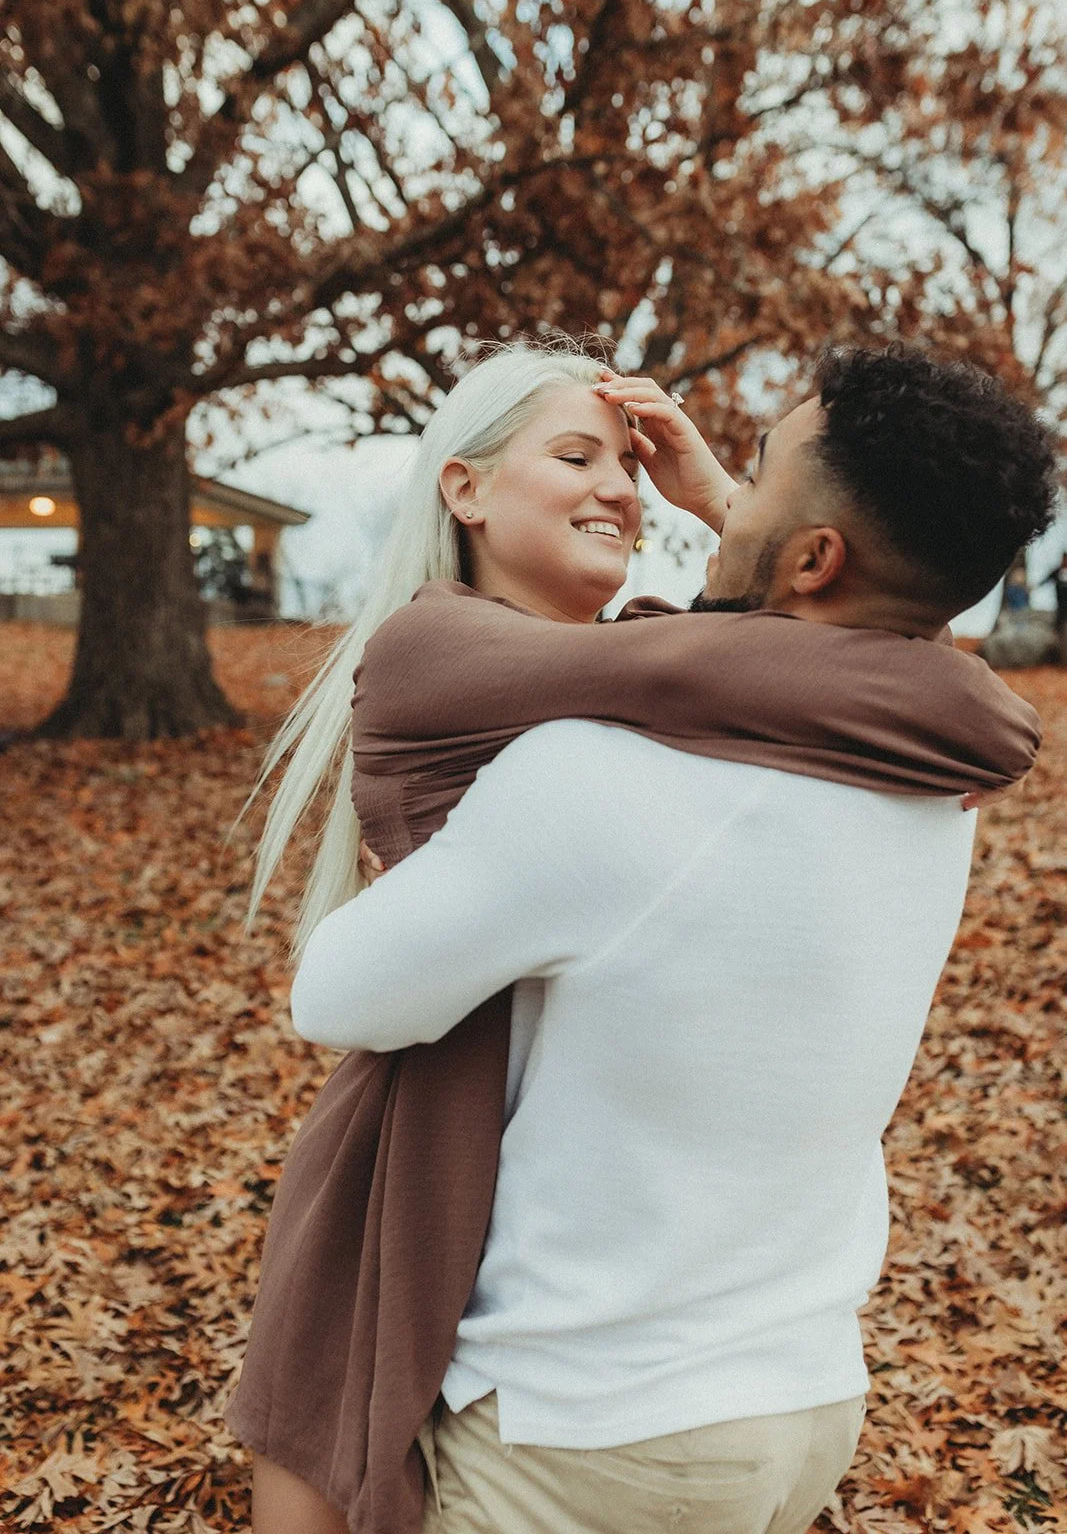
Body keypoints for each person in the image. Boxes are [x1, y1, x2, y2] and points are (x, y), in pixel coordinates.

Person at [283, 343, 1058, 1534]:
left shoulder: (600, 775)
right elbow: (846, 656)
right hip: (799, 1395)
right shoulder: (924, 770)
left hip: (601, 1428)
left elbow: (337, 996)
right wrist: (752, 526)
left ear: (814, 556)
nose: (701, 490)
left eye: (748, 471)